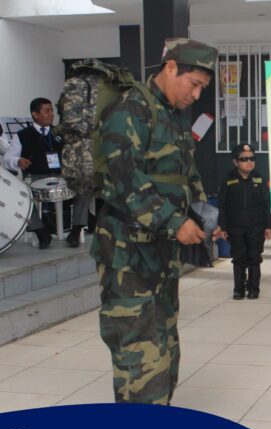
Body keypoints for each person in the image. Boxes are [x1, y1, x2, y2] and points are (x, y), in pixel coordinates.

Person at [90, 38, 217, 404]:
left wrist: (203, 214)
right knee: (139, 351)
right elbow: (125, 180)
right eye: (194, 84)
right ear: (171, 67)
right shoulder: (130, 110)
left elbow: (186, 173)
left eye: (202, 89)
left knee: (164, 342)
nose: (196, 95)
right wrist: (175, 222)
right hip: (126, 254)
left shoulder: (173, 116)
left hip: (159, 252)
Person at [4, 97, 90, 248]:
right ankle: (40, 231)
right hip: (35, 176)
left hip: (61, 175)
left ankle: (76, 231)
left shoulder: (60, 133)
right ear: (35, 114)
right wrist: (18, 161)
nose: (51, 114)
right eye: (47, 111)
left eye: (51, 111)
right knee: (23, 195)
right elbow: (7, 158)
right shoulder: (22, 135)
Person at [219, 143, 271, 298]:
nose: (249, 162)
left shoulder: (259, 178)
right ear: (235, 162)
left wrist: (269, 226)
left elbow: (267, 203)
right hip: (235, 227)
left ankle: (254, 288)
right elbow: (222, 205)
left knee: (254, 257)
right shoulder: (228, 179)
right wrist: (223, 227)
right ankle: (239, 289)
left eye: (252, 158)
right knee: (238, 257)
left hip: (256, 226)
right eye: (244, 159)